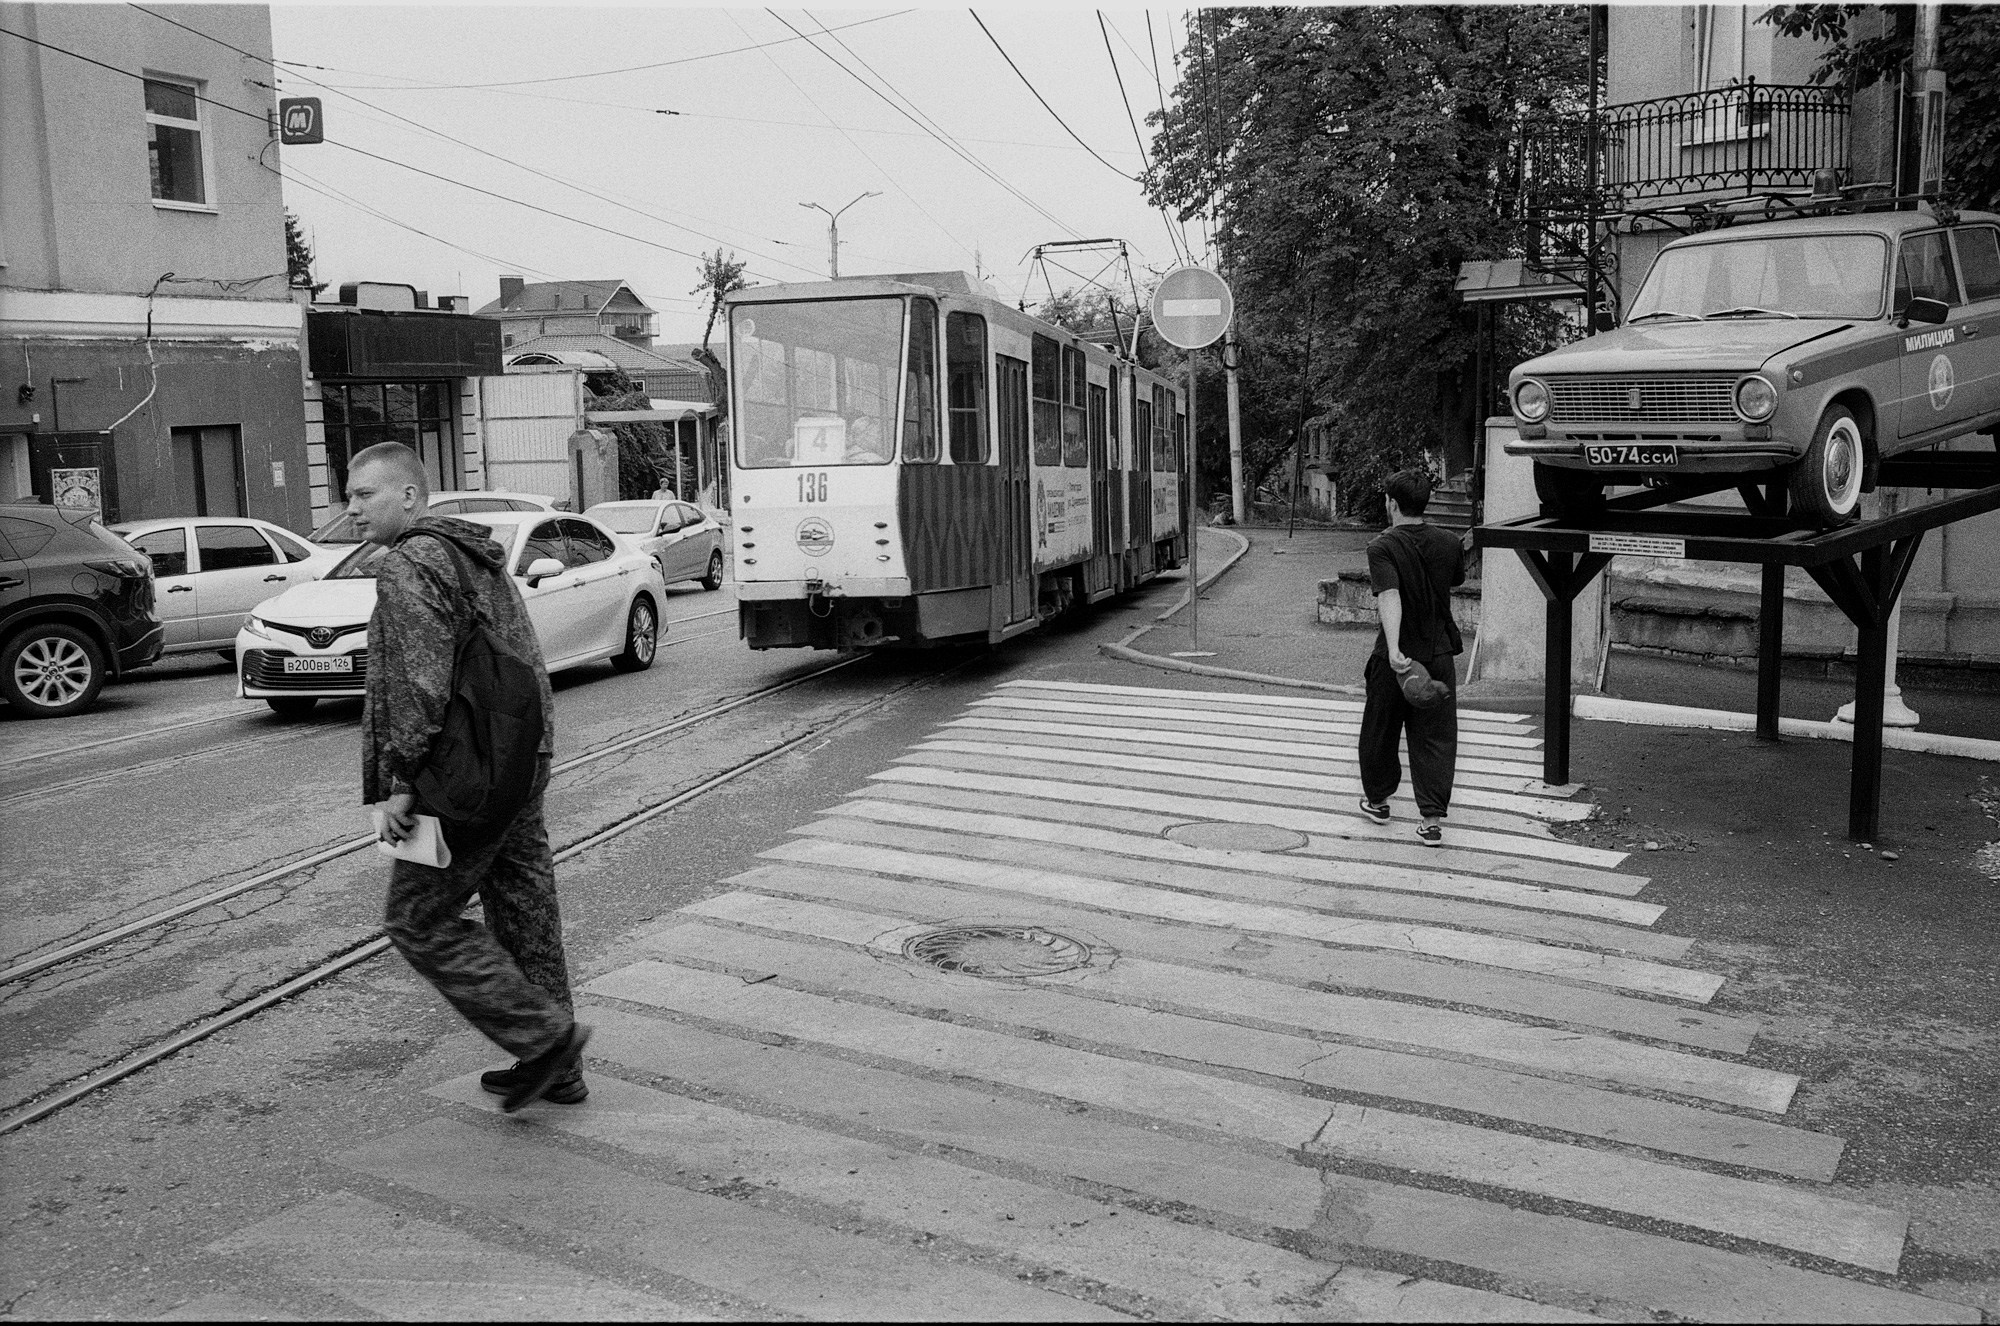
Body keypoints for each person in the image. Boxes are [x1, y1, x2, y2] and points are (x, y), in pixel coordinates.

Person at [347, 441, 591, 1111]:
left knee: (417, 920)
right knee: (524, 910)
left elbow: (418, 685)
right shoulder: (470, 554)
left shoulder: (409, 565)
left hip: (461, 775)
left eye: (365, 494)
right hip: (517, 758)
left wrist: (403, 782)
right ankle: (557, 1068)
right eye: (349, 495)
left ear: (408, 496)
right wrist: (529, 754)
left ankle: (545, 1040)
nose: (351, 508)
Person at [1358, 469, 1468, 847]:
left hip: (1396, 659)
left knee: (1380, 730)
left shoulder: (1382, 546)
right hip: (1437, 655)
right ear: (1425, 503)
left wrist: (1393, 649)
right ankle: (1431, 821)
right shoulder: (1449, 542)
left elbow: (1389, 595)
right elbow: (1456, 580)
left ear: (1392, 503)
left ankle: (1378, 802)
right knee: (1436, 736)